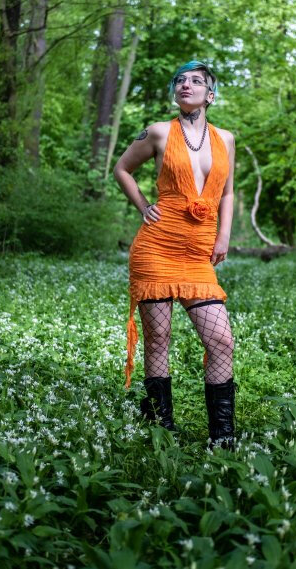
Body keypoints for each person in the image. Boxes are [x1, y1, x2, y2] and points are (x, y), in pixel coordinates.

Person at [113, 60, 236, 448]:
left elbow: (228, 192)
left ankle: (223, 438)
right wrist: (143, 205)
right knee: (158, 338)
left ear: (210, 95)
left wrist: (224, 236)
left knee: (220, 340)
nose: (186, 84)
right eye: (180, 80)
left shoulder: (226, 139)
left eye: (196, 81)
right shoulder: (158, 132)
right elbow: (122, 169)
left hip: (198, 254)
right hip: (156, 247)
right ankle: (160, 426)